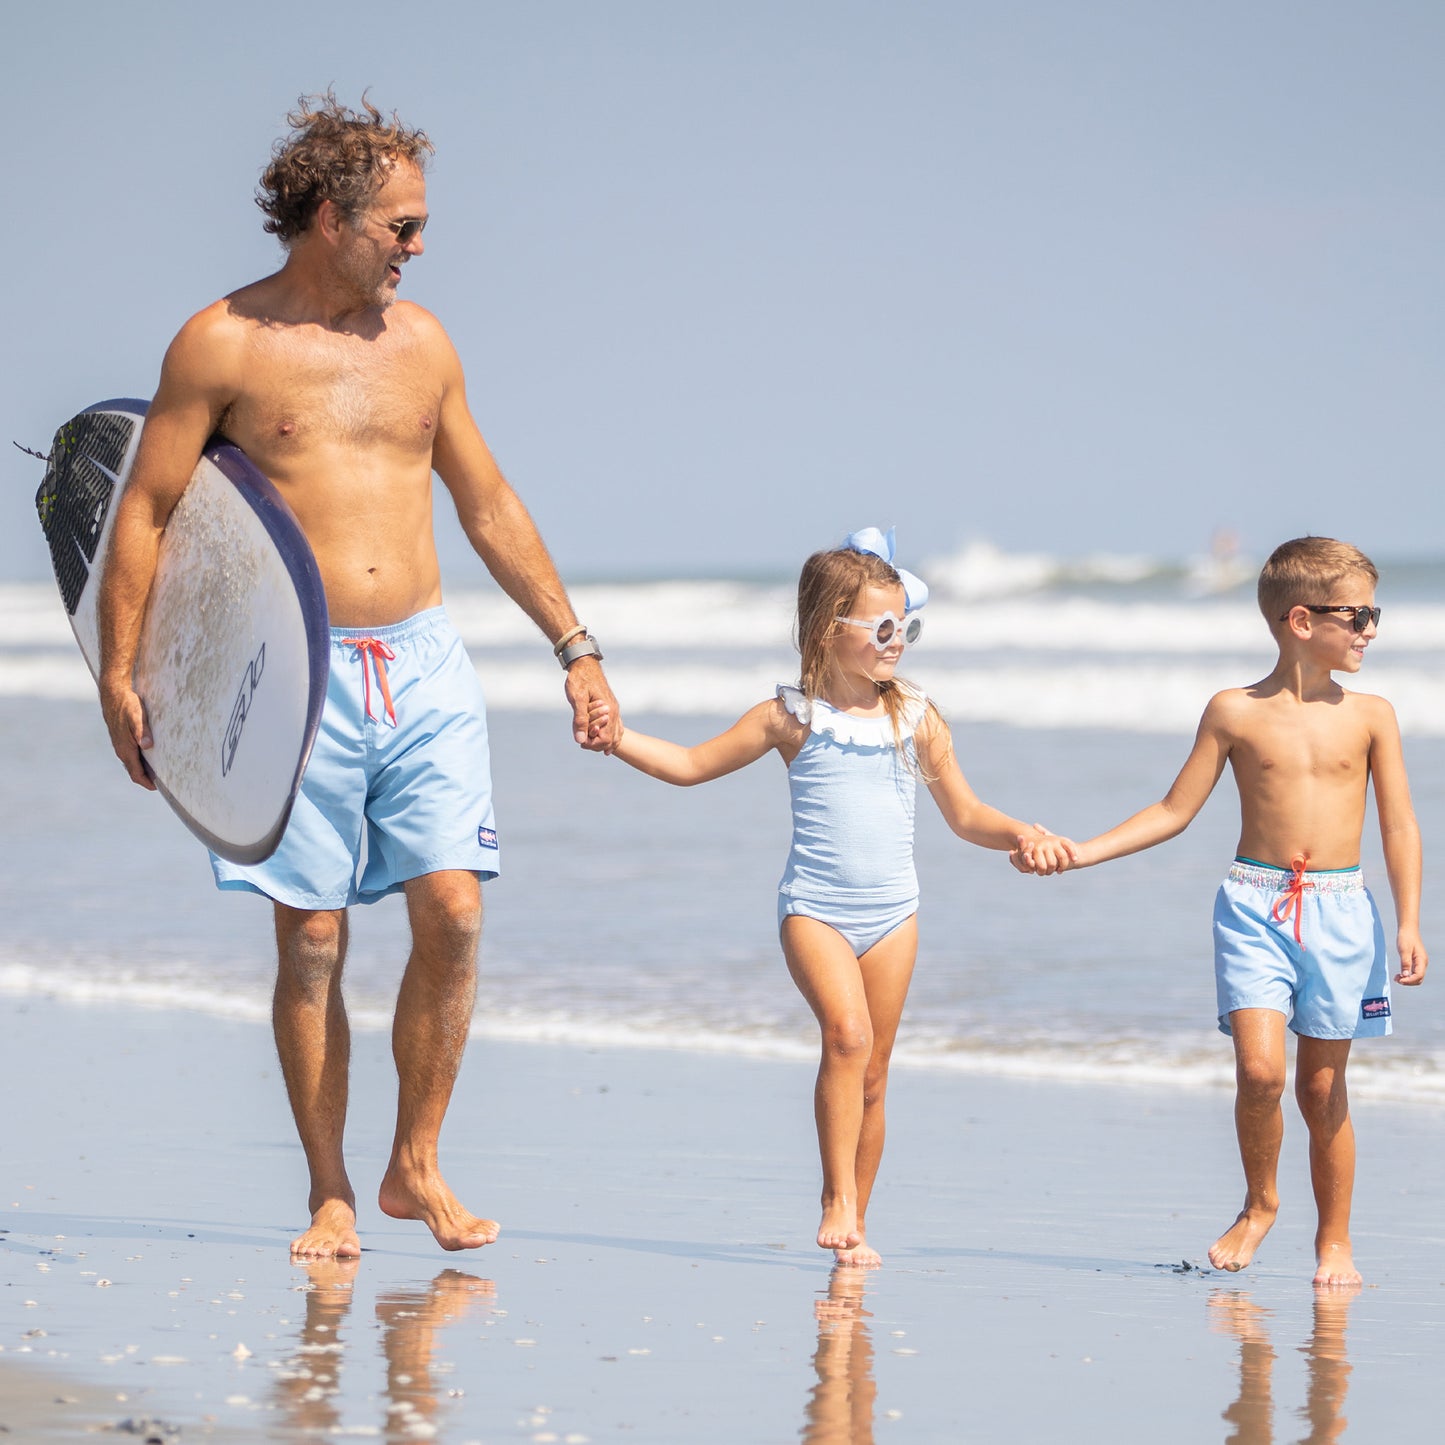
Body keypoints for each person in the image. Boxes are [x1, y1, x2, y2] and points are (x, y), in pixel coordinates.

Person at [96, 94, 620, 1260]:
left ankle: (413, 1162)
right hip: (295, 675)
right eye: (402, 223)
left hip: (424, 658)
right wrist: (120, 673)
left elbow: (484, 501)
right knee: (315, 940)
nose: (418, 245)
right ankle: (331, 1187)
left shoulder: (421, 345)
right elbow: (145, 507)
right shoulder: (221, 343)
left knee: (456, 910)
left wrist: (572, 644)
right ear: (329, 216)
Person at [587, 528, 1075, 1266]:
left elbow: (968, 814)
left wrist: (1020, 833)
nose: (897, 642)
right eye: (882, 628)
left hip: (892, 914)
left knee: (874, 1073)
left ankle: (857, 1225)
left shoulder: (915, 716)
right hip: (814, 907)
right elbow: (689, 765)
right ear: (827, 630)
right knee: (845, 1037)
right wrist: (616, 738)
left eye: (905, 626)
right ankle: (834, 1197)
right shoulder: (788, 716)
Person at [1017, 536, 1427, 1286]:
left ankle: (1333, 1238)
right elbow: (1173, 810)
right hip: (1253, 903)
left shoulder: (1372, 716)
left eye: (1375, 613)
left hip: (1340, 910)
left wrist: (1406, 920)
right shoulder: (1232, 711)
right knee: (1260, 1072)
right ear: (1300, 620)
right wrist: (1082, 850)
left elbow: (1398, 824)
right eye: (1358, 614)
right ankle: (1259, 1202)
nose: (1370, 628)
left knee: (1321, 1087)